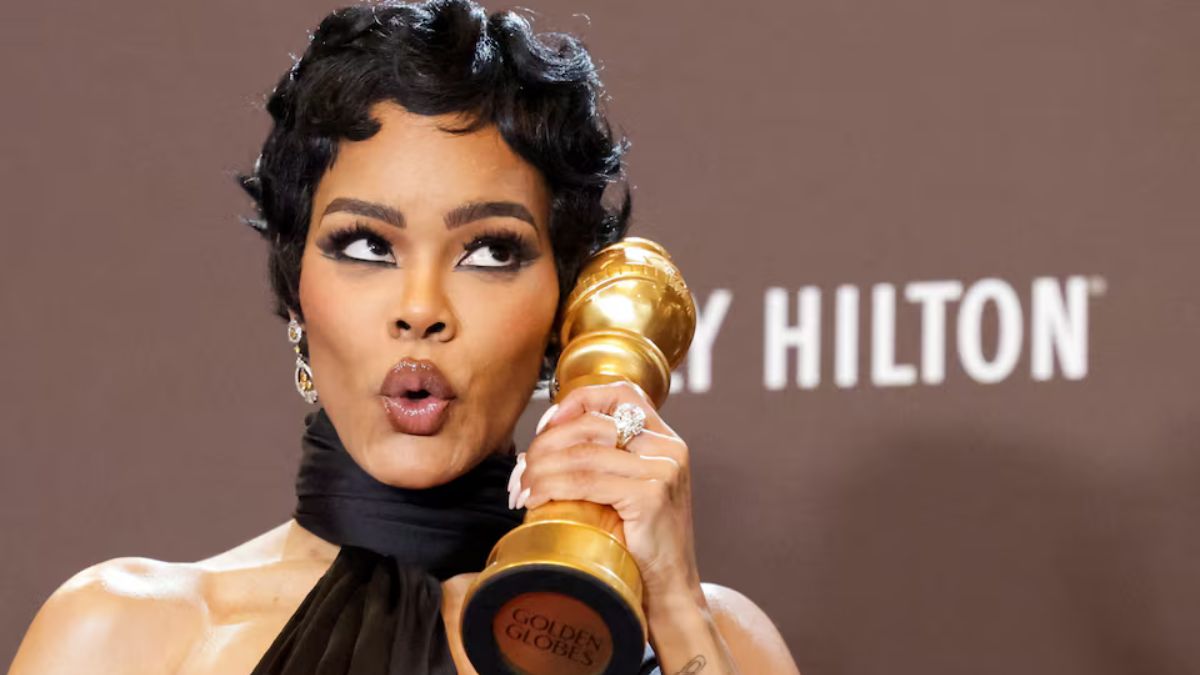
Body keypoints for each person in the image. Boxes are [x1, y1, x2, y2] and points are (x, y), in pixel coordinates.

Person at [8, 1, 800, 673]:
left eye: (490, 251)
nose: (420, 309)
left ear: (565, 311)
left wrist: (672, 609)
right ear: (295, 294)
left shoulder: (718, 640)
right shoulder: (127, 637)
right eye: (366, 245)